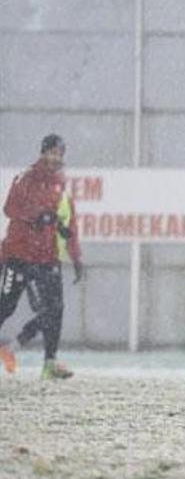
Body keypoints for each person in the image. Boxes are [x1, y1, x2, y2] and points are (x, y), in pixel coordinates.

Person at [0, 134, 84, 379]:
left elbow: (64, 220)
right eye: (52, 153)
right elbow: (10, 208)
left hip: (46, 256)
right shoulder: (26, 178)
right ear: (43, 153)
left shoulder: (59, 183)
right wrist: (37, 216)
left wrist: (75, 255)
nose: (56, 158)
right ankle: (15, 345)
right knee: (6, 307)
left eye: (60, 154)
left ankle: (49, 363)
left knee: (55, 309)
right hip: (19, 254)